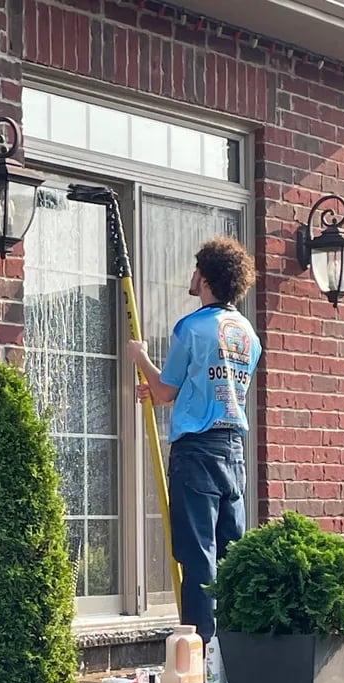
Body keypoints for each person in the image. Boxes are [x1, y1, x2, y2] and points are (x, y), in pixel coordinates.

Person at [126, 236, 261, 648]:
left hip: (196, 452)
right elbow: (208, 386)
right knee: (230, 554)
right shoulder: (247, 334)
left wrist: (140, 357)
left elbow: (166, 392)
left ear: (204, 276)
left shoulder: (192, 327)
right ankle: (232, 651)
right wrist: (164, 388)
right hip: (232, 453)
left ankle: (199, 652)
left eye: (194, 268)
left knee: (197, 554)